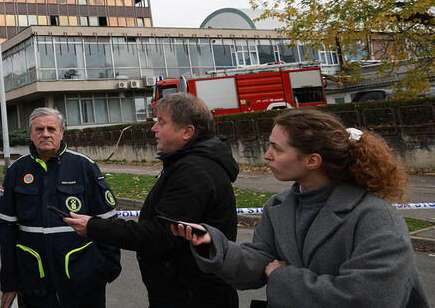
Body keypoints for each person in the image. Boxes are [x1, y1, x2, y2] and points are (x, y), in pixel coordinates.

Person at [172, 108, 429, 307]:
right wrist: (215, 245)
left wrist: (283, 278)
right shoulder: (279, 206)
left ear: (312, 160)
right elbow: (261, 260)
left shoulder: (375, 217)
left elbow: (368, 298)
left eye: (276, 148)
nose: (267, 155)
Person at [62, 92, 239, 307]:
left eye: (161, 122)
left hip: (190, 296)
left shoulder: (194, 171)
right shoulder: (187, 164)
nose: (154, 128)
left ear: (187, 131)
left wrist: (93, 227)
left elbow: (160, 234)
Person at [0, 108, 121, 308]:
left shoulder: (84, 166)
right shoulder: (16, 171)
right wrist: (10, 281)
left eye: (51, 129)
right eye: (39, 129)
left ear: (62, 132)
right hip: (34, 282)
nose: (45, 134)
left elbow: (108, 222)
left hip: (83, 283)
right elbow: (7, 229)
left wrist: (105, 268)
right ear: (31, 134)